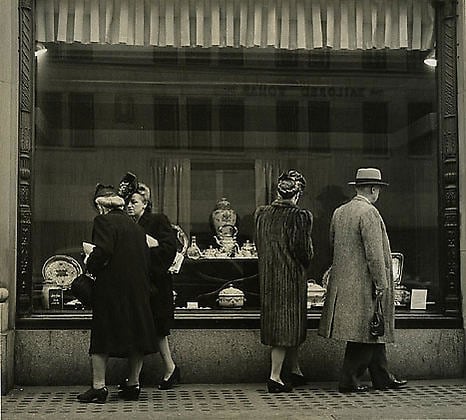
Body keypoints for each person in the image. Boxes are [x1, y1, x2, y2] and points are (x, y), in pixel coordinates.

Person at [318, 168, 408, 393]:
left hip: (345, 282)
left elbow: (332, 245)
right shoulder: (369, 213)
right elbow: (374, 253)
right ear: (374, 189)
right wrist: (382, 283)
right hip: (365, 283)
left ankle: (382, 376)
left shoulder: (340, 211)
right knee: (366, 332)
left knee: (373, 328)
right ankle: (348, 380)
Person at [78, 184, 158, 403]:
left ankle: (99, 387)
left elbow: (103, 250)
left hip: (111, 289)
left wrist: (90, 264)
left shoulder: (103, 221)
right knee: (136, 336)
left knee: (102, 336)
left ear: (101, 207)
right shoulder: (135, 226)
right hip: (137, 288)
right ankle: (133, 384)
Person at [255, 169, 314, 393]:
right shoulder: (300, 216)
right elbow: (304, 251)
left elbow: (259, 244)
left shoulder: (261, 214)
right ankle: (276, 376)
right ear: (297, 194)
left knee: (282, 326)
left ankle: (295, 370)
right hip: (290, 278)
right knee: (287, 327)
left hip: (269, 278)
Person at [125, 181, 180, 390]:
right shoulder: (129, 224)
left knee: (152, 330)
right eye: (128, 202)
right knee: (151, 331)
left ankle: (136, 379)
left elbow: (169, 249)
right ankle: (166, 370)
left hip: (156, 285)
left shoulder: (158, 221)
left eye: (134, 202)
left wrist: (150, 246)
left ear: (145, 203)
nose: (130, 206)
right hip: (140, 284)